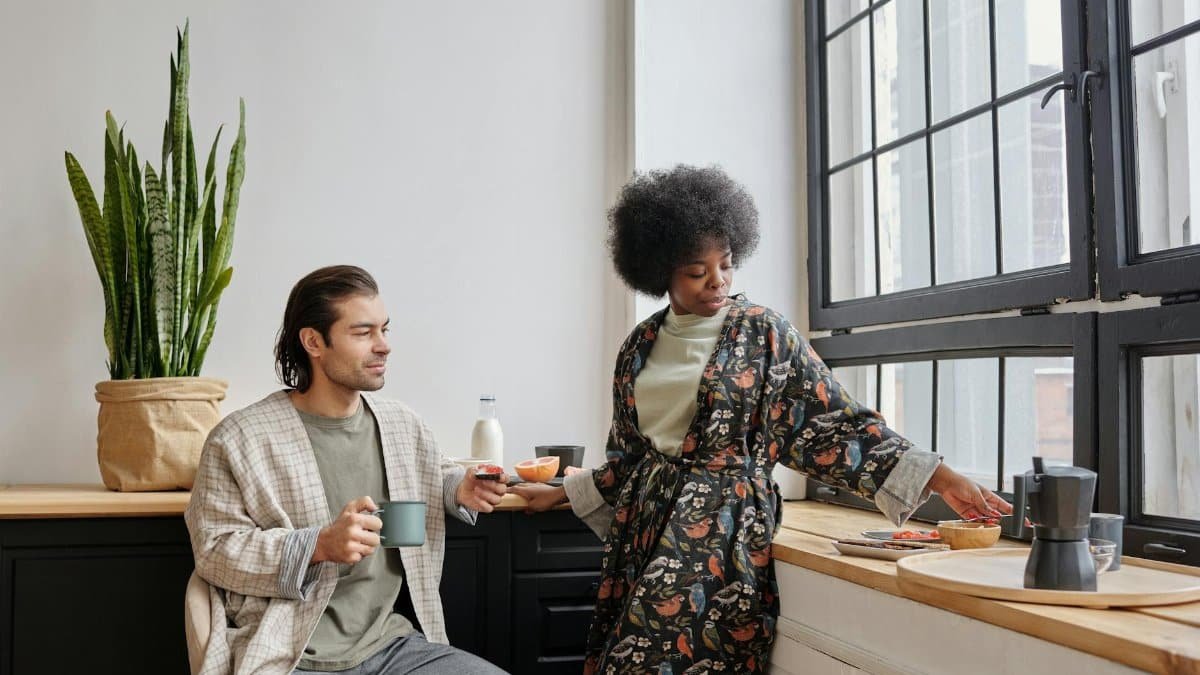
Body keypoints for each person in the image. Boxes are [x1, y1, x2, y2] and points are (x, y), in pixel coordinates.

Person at [511, 166, 1012, 674]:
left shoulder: (765, 335)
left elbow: (834, 425)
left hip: (723, 533)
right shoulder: (639, 347)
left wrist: (940, 478)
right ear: (660, 269)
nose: (718, 280)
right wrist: (564, 491)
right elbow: (630, 457)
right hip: (644, 528)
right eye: (696, 270)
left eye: (726, 264)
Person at [184, 265, 509, 675]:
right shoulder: (239, 439)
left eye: (384, 330)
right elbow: (215, 552)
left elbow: (433, 472)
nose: (384, 346)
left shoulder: (401, 425)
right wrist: (318, 545)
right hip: (292, 651)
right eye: (363, 333)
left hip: (392, 647)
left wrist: (459, 489)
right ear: (313, 342)